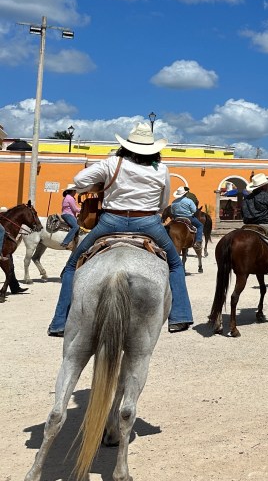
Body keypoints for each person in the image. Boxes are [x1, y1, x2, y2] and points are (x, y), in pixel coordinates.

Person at [48, 122, 193, 337]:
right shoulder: (161, 169)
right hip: (148, 223)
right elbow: (163, 203)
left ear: (126, 146)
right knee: (175, 264)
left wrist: (99, 185)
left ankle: (60, 322)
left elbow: (78, 180)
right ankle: (180, 316)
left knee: (71, 266)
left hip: (110, 221)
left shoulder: (112, 163)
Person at [171, 185, 203, 251]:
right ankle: (198, 242)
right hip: (188, 218)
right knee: (200, 225)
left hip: (177, 218)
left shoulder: (173, 202)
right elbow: (194, 210)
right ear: (185, 193)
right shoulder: (189, 201)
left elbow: (172, 212)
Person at [59, 184, 80, 249]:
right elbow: (75, 209)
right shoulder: (70, 198)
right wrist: (83, 210)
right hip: (68, 214)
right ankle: (65, 242)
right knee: (76, 226)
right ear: (72, 191)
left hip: (66, 214)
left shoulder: (67, 197)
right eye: (75, 191)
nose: (76, 192)